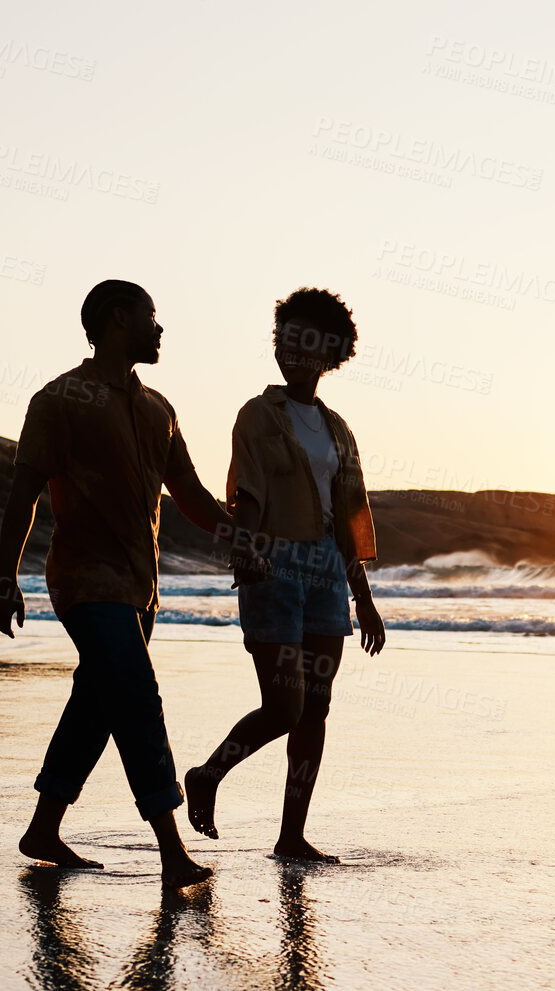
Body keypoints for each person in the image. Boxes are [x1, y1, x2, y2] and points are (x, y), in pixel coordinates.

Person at [0, 279, 258, 889]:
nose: (160, 329)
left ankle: (43, 827)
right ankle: (171, 850)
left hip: (142, 589)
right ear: (118, 320)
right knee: (137, 696)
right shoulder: (59, 399)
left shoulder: (158, 408)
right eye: (151, 317)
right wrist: (6, 578)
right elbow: (22, 496)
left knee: (97, 703)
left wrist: (240, 534)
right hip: (84, 581)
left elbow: (188, 493)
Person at [183, 288, 386, 863]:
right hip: (273, 564)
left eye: (306, 341)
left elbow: (350, 517)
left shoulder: (338, 429)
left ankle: (291, 835)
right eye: (284, 338)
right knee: (284, 706)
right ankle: (207, 774)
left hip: (326, 567)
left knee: (315, 708)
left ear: (332, 352)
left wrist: (363, 598)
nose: (292, 350)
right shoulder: (258, 414)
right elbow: (247, 490)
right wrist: (246, 548)